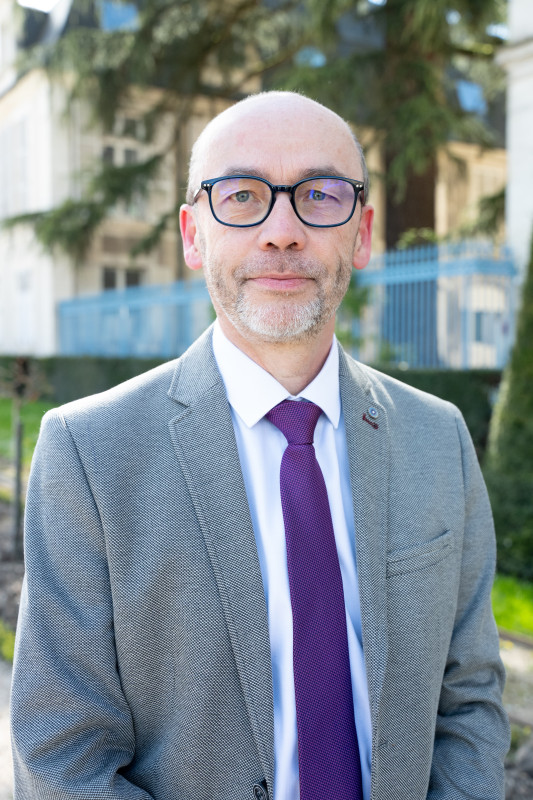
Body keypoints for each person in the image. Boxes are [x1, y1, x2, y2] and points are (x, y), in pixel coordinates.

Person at [11, 91, 509, 800]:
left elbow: (470, 702)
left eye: (320, 194)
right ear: (193, 235)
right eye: (242, 196)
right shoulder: (87, 454)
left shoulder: (439, 438)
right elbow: (62, 755)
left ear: (362, 233)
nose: (282, 231)